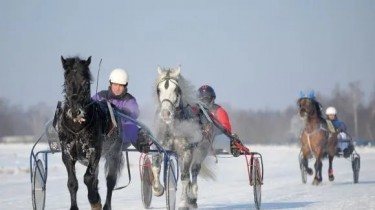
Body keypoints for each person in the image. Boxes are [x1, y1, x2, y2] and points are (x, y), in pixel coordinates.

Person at [92, 68, 149, 153]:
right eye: (115, 85)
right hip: (102, 133)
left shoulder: (129, 100)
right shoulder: (101, 96)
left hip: (122, 135)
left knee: (131, 127)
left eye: (121, 85)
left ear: (125, 86)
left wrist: (121, 112)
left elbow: (134, 112)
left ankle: (141, 143)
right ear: (110, 84)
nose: (117, 88)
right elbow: (90, 105)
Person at [197, 84, 245, 157]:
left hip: (215, 140)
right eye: (202, 100)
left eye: (207, 99)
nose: (205, 102)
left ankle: (233, 147)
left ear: (212, 99)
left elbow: (226, 129)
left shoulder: (219, 111)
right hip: (200, 142)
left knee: (225, 139)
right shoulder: (196, 111)